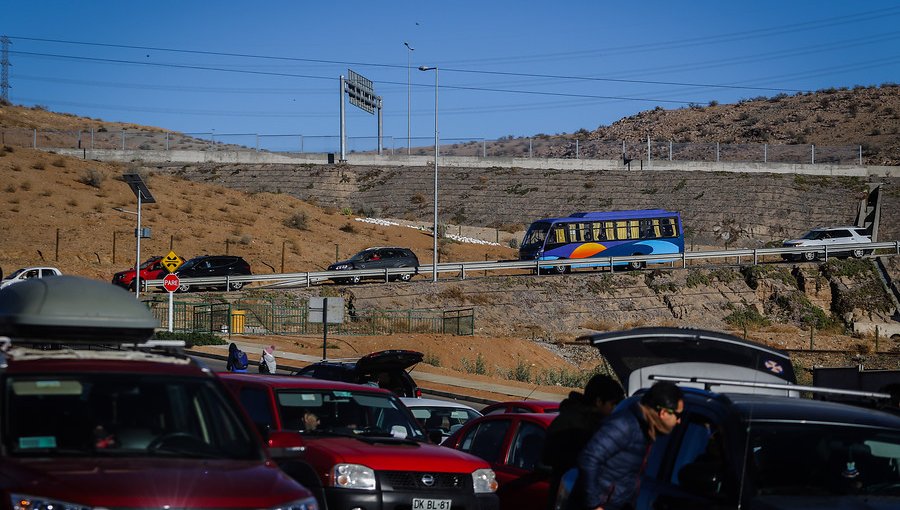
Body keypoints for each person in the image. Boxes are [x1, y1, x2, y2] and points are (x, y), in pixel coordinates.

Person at [576, 381, 684, 510]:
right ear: (663, 412)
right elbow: (589, 458)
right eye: (678, 415)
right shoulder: (625, 425)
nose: (679, 421)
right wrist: (594, 505)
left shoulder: (645, 429)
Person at [543, 374, 624, 507]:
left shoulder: (603, 425)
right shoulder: (569, 422)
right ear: (599, 401)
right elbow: (548, 456)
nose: (614, 410)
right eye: (613, 404)